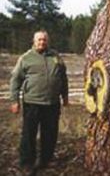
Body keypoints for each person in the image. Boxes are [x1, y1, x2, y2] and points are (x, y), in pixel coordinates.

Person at [9, 30, 69, 173]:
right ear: (34, 41)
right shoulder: (26, 58)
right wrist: (14, 100)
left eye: (44, 40)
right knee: (29, 134)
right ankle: (27, 163)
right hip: (32, 103)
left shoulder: (56, 57)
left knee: (50, 134)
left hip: (52, 103)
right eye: (39, 40)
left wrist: (65, 96)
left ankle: (45, 160)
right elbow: (15, 80)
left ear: (48, 41)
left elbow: (63, 78)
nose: (42, 42)